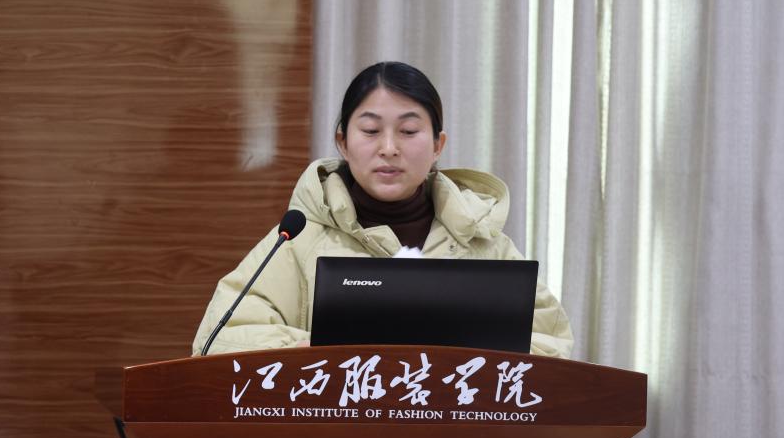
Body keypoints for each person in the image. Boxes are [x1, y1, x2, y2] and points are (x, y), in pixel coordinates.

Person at [192, 61, 573, 357]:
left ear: (438, 145)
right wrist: (321, 355)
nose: (389, 148)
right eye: (371, 131)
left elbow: (551, 345)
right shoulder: (297, 240)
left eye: (408, 132)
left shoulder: (480, 240)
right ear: (343, 142)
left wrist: (454, 362)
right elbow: (219, 339)